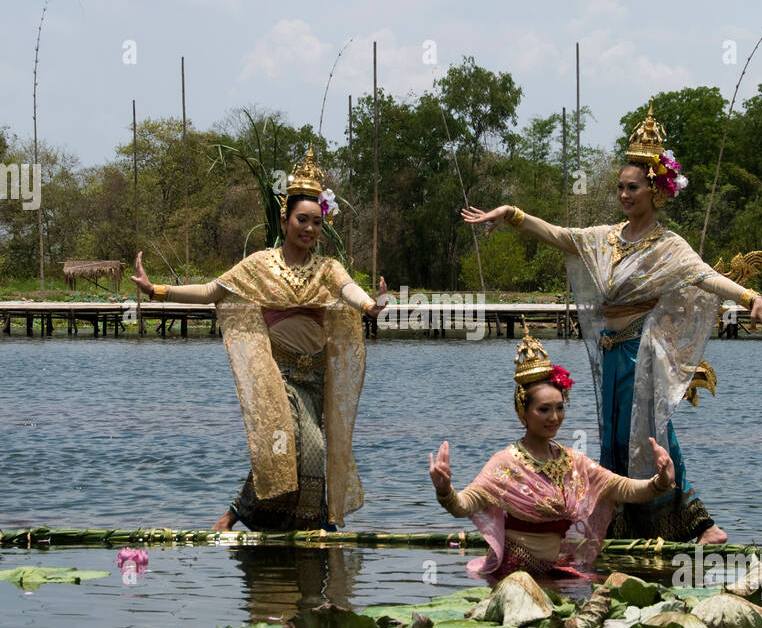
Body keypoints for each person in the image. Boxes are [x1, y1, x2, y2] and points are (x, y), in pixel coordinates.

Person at [461, 101, 762, 544]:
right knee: (615, 436)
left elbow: (706, 277)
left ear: (656, 191)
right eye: (620, 188)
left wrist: (752, 298)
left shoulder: (669, 246)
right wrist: (512, 214)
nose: (624, 195)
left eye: (633, 188)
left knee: (650, 433)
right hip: (613, 352)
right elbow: (562, 237)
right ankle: (619, 522)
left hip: (643, 351)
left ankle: (697, 521)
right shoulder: (607, 238)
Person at [132, 147, 387, 531]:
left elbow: (350, 290)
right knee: (296, 446)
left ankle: (307, 522)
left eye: (317, 223)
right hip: (277, 374)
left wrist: (370, 305)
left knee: (303, 453)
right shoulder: (259, 266)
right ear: (285, 221)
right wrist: (157, 291)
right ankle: (244, 514)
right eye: (302, 220)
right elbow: (210, 292)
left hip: (315, 376)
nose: (310, 229)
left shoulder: (328, 268)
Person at [428, 320, 675, 585]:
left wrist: (660, 481)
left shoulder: (571, 461)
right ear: (522, 412)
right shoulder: (505, 463)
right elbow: (464, 505)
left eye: (559, 408)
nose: (554, 418)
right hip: (515, 573)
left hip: (554, 568)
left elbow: (623, 488)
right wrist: (445, 490)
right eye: (544, 409)